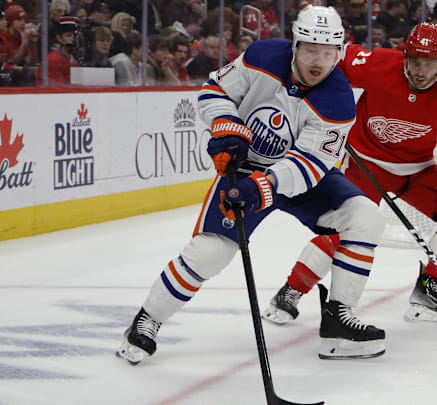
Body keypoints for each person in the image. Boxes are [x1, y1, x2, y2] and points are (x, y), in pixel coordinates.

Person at [116, 5, 387, 364]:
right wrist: (227, 126)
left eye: (327, 52)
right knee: (212, 252)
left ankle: (338, 320)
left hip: (296, 176)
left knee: (366, 216)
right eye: (309, 50)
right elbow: (215, 90)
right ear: (295, 45)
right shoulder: (262, 55)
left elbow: (312, 162)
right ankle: (147, 320)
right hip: (244, 169)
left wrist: (267, 185)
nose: (318, 61)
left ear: (339, 51)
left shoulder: (338, 100)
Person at [262, 22, 437, 327]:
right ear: (404, 56)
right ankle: (291, 291)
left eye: (430, 63)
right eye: (415, 61)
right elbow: (328, 57)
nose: (421, 71)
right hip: (363, 165)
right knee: (346, 229)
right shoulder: (380, 64)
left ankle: (429, 290)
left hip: (416, 170)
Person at [35, 16, 76, 86]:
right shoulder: (54, 59)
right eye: (69, 35)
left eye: (75, 36)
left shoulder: (72, 57)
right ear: (59, 38)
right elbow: (60, 90)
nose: (73, 40)